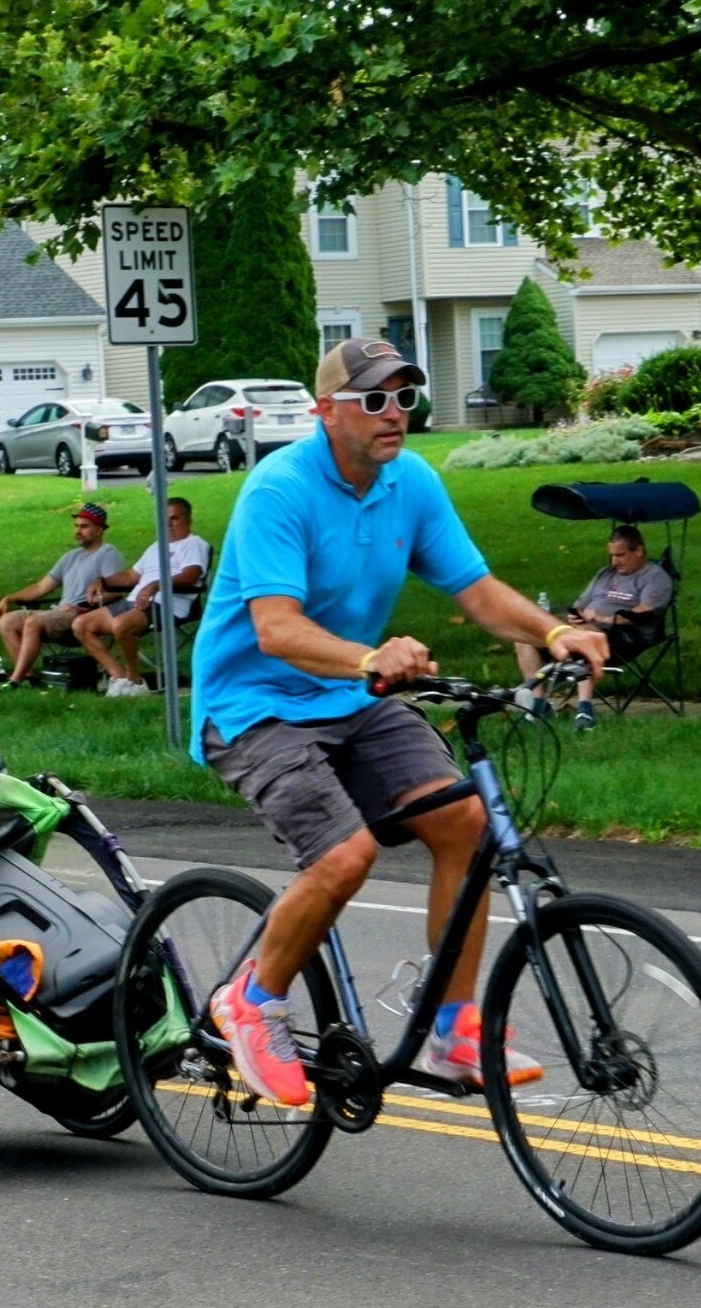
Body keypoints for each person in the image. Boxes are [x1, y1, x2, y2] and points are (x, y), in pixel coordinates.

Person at [191, 336, 607, 1106]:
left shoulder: (409, 482)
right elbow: (276, 628)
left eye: (402, 396)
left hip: (354, 698)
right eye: (373, 398)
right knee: (345, 856)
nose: (394, 414)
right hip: (254, 706)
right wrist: (367, 658)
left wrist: (553, 632)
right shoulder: (278, 490)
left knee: (467, 823)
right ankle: (252, 999)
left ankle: (456, 1029)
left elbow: (476, 589)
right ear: (325, 412)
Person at [514, 524, 674, 731]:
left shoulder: (655, 576)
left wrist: (606, 619)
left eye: (621, 555)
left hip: (622, 636)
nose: (614, 561)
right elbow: (580, 605)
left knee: (585, 636)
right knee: (524, 636)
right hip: (583, 628)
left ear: (639, 551)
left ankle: (584, 710)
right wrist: (574, 616)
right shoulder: (605, 573)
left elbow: (646, 612)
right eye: (612, 555)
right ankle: (539, 705)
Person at [70, 497, 212, 697]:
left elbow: (191, 577)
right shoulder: (155, 547)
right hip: (135, 601)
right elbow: (130, 577)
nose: (168, 524)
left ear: (188, 520)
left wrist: (156, 585)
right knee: (81, 624)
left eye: (175, 518)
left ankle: (135, 682)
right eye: (164, 519)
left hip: (168, 604)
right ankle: (119, 678)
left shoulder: (194, 544)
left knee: (121, 625)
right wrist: (103, 581)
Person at [0, 503, 123, 690]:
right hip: (59, 615)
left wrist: (90, 603)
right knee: (7, 621)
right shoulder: (70, 556)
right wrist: (9, 599)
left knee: (34, 621)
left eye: (84, 526)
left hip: (83, 616)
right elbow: (40, 587)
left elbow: (117, 589)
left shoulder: (107, 553)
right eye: (76, 526)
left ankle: (15, 680)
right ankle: (30, 679)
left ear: (100, 529)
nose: (78, 531)